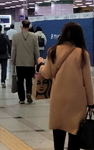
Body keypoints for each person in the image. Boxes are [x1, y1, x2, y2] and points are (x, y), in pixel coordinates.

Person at [37, 22, 94, 150]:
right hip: (77, 100)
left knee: (58, 132)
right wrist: (91, 103)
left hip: (58, 98)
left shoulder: (53, 51)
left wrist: (40, 65)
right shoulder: (82, 54)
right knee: (75, 135)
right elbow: (87, 81)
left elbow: (47, 74)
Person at [11, 20, 39, 104]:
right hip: (30, 62)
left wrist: (13, 60)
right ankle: (29, 93)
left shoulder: (15, 36)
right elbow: (36, 51)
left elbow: (13, 50)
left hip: (19, 62)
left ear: (21, 26)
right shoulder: (34, 37)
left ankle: (21, 99)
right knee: (29, 79)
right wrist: (38, 61)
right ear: (29, 26)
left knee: (20, 80)